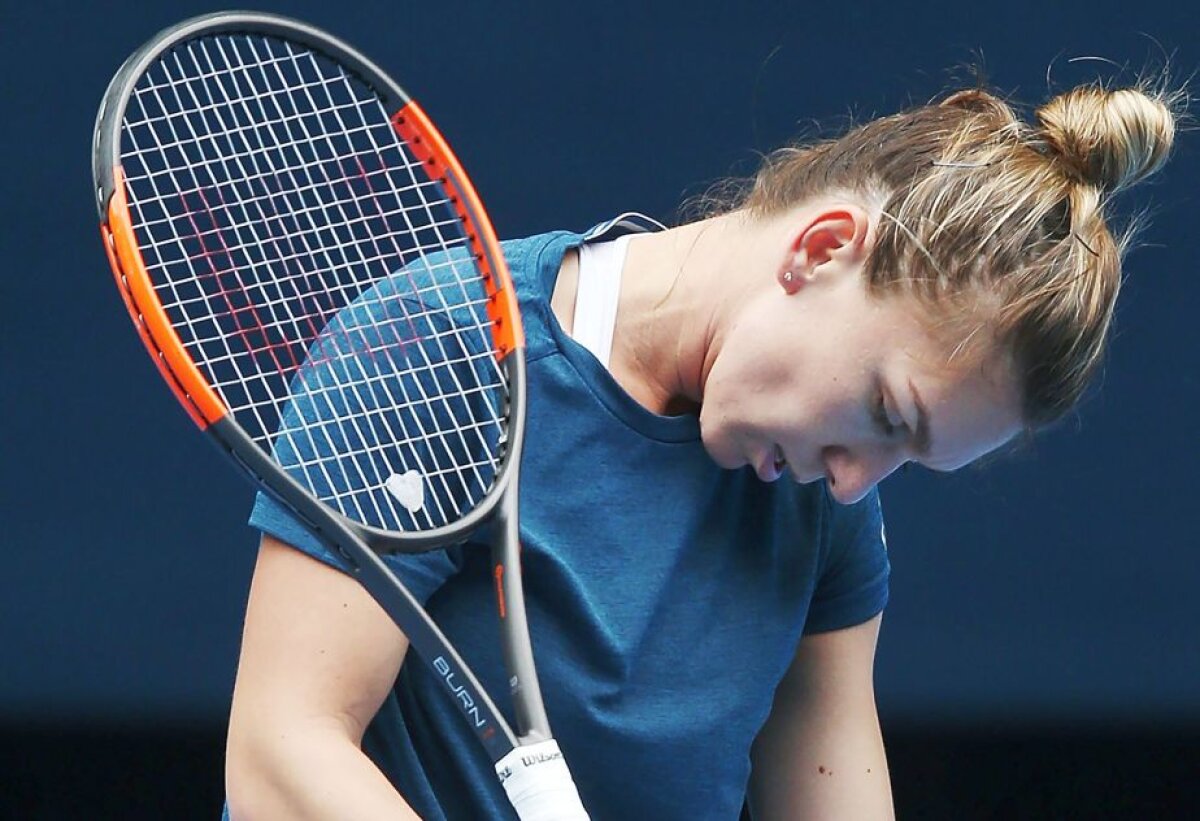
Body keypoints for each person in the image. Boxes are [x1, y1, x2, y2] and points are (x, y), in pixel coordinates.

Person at [222, 78, 1178, 819]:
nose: (857, 483)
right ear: (821, 250)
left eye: (907, 458)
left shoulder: (815, 493)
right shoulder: (443, 342)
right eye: (888, 412)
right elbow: (279, 755)